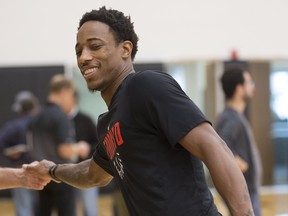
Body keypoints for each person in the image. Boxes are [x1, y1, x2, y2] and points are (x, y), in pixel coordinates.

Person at [25, 6, 254, 216]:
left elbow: (213, 146)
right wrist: (52, 170)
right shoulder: (107, 122)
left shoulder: (145, 86)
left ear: (125, 49)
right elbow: (92, 174)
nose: (84, 57)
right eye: (79, 51)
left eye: (95, 46)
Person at [27, 74, 90, 216]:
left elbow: (30, 145)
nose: (71, 100)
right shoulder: (60, 116)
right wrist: (80, 147)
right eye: (70, 95)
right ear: (64, 91)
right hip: (60, 175)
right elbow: (64, 150)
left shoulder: (36, 116)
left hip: (41, 175)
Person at [215, 67, 263, 216]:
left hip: (247, 191)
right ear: (239, 89)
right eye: (249, 83)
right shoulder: (232, 118)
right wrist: (238, 162)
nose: (253, 87)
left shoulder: (234, 116)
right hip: (245, 193)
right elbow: (220, 145)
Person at [0, 90, 40, 216]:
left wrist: (9, 152)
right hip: (43, 169)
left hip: (20, 169)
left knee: (23, 209)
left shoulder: (13, 126)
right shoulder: (43, 124)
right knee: (42, 208)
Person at [68, 91, 99, 216]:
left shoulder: (85, 120)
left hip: (86, 170)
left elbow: (99, 144)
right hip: (65, 171)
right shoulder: (57, 120)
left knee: (89, 208)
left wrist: (87, 149)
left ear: (74, 99)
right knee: (69, 209)